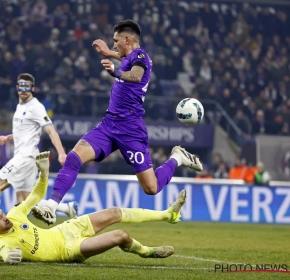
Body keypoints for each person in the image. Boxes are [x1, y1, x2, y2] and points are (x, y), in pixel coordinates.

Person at [32, 19, 202, 225]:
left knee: (151, 188)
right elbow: (124, 57)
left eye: (115, 41)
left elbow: (136, 75)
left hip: (131, 129)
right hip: (109, 124)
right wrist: (109, 54)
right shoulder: (130, 56)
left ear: (127, 39)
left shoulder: (141, 57)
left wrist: (116, 72)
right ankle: (51, 206)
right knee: (74, 157)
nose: (113, 44)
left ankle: (177, 157)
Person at [0, 152, 187, 264]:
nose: (5, 217)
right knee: (120, 236)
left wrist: (43, 174)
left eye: (1, 213)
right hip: (67, 250)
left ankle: (168, 214)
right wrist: (9, 258)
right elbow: (4, 252)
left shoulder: (14, 215)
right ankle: (149, 252)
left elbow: (37, 195)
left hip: (64, 230)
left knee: (114, 212)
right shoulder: (2, 242)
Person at [0, 73, 77, 239]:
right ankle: (66, 208)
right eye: (20, 86)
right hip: (26, 157)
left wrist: (61, 153)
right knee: (25, 202)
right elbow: (25, 130)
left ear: (32, 88)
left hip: (26, 157)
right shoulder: (20, 107)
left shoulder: (36, 107)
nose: (23, 90)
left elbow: (51, 130)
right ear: (17, 88)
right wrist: (9, 137)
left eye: (27, 87)